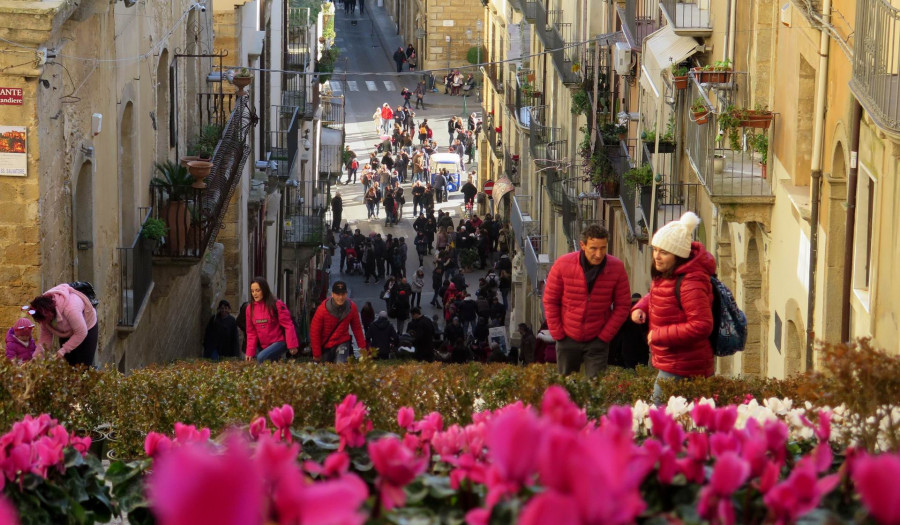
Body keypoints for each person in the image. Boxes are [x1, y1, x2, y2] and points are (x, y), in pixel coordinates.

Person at [630, 212, 716, 403]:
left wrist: (659, 335)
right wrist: (640, 307)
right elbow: (658, 294)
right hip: (673, 362)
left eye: (664, 252)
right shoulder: (668, 274)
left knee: (659, 417)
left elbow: (702, 325)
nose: (656, 257)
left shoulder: (690, 283)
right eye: (655, 250)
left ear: (678, 256)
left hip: (686, 366)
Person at [542, 224, 631, 378]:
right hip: (567, 337)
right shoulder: (563, 264)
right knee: (566, 388)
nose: (599, 254)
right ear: (582, 245)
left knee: (596, 390)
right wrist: (558, 333)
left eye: (603, 248)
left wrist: (605, 336)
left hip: (598, 338)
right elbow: (550, 300)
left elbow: (623, 305)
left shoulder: (617, 268)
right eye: (594, 248)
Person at [28, 283, 98, 366]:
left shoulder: (71, 309)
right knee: (67, 366)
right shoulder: (43, 315)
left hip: (86, 328)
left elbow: (81, 332)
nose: (45, 323)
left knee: (83, 367)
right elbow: (45, 339)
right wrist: (36, 358)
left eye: (45, 320)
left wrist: (63, 350)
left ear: (48, 313)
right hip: (66, 331)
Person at [244, 277, 299, 363]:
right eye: (252, 291)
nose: (255, 294)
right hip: (265, 345)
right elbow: (251, 332)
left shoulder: (276, 304)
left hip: (280, 341)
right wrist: (249, 352)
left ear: (264, 290)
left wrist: (292, 345)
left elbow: (288, 325)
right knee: (271, 368)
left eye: (258, 290)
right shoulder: (249, 309)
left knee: (261, 357)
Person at [310, 281, 366, 363]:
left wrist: (362, 347)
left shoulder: (351, 308)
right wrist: (317, 353)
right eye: (338, 294)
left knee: (341, 365)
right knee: (326, 371)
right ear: (332, 294)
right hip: (326, 345)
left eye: (343, 294)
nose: (340, 297)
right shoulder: (322, 310)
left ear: (346, 294)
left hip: (342, 342)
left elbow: (357, 328)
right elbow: (315, 331)